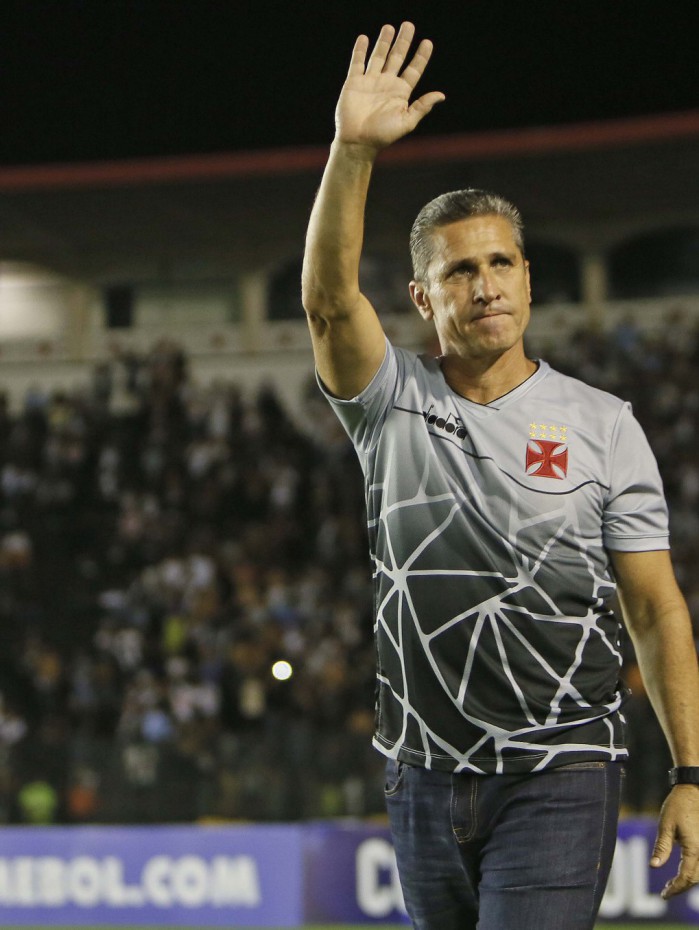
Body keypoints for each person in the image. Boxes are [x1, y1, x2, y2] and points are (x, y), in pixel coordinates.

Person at [301, 21, 699, 930]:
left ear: (527, 278)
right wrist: (352, 150)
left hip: (560, 770)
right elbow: (326, 300)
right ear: (422, 297)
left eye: (500, 264)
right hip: (419, 775)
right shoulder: (385, 397)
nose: (484, 285)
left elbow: (654, 608)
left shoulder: (605, 426)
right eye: (459, 271)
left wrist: (689, 774)